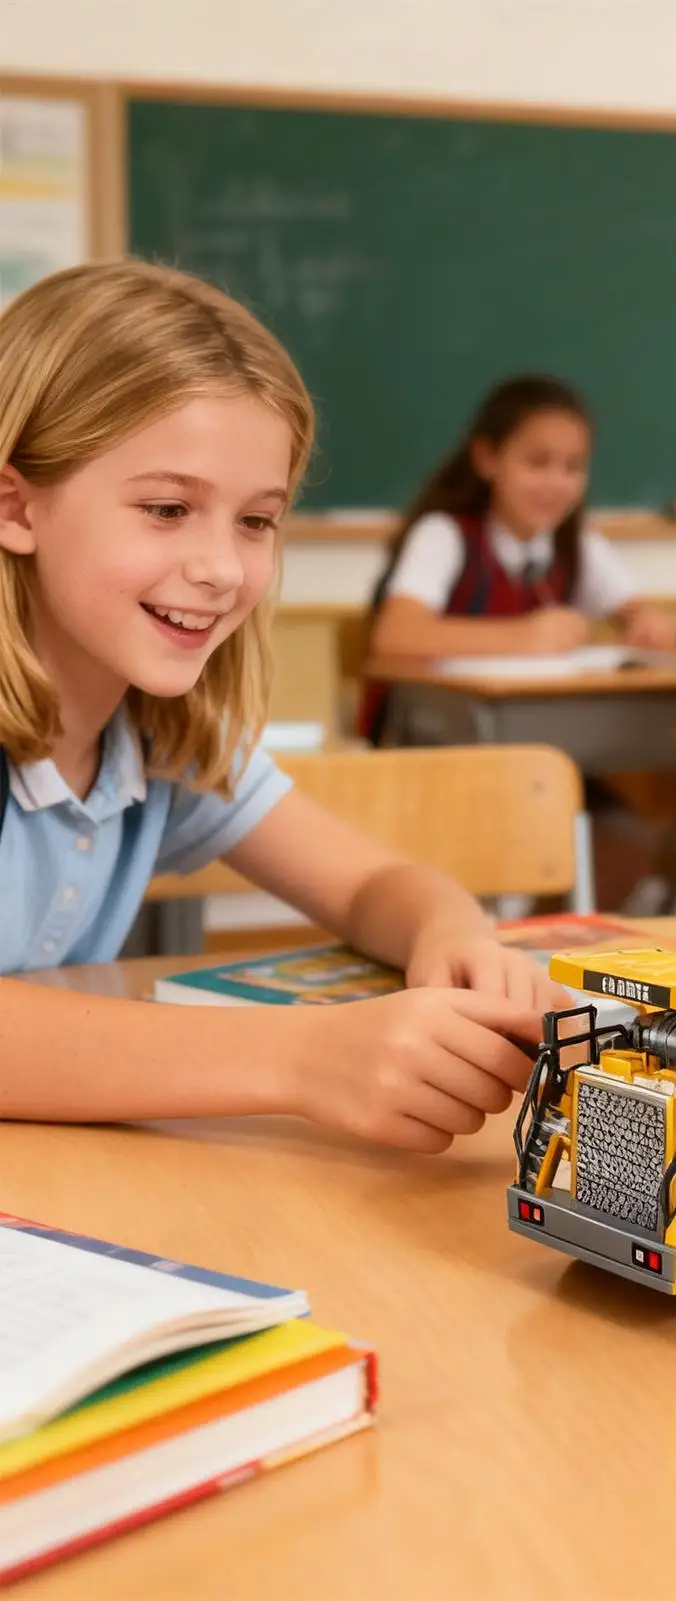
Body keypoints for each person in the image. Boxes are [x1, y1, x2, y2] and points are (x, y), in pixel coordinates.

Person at [0, 261, 568, 1154]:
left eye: (256, 521)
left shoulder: (159, 738)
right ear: (15, 503)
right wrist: (300, 1060)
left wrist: (451, 933)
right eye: (166, 507)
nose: (223, 568)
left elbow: (372, 883)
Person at [362, 373, 676, 739]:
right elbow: (395, 635)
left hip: (537, 743)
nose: (556, 484)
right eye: (538, 463)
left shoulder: (577, 545)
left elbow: (641, 611)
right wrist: (523, 637)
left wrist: (645, 621)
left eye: (573, 467)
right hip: (435, 744)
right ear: (487, 459)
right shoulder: (445, 535)